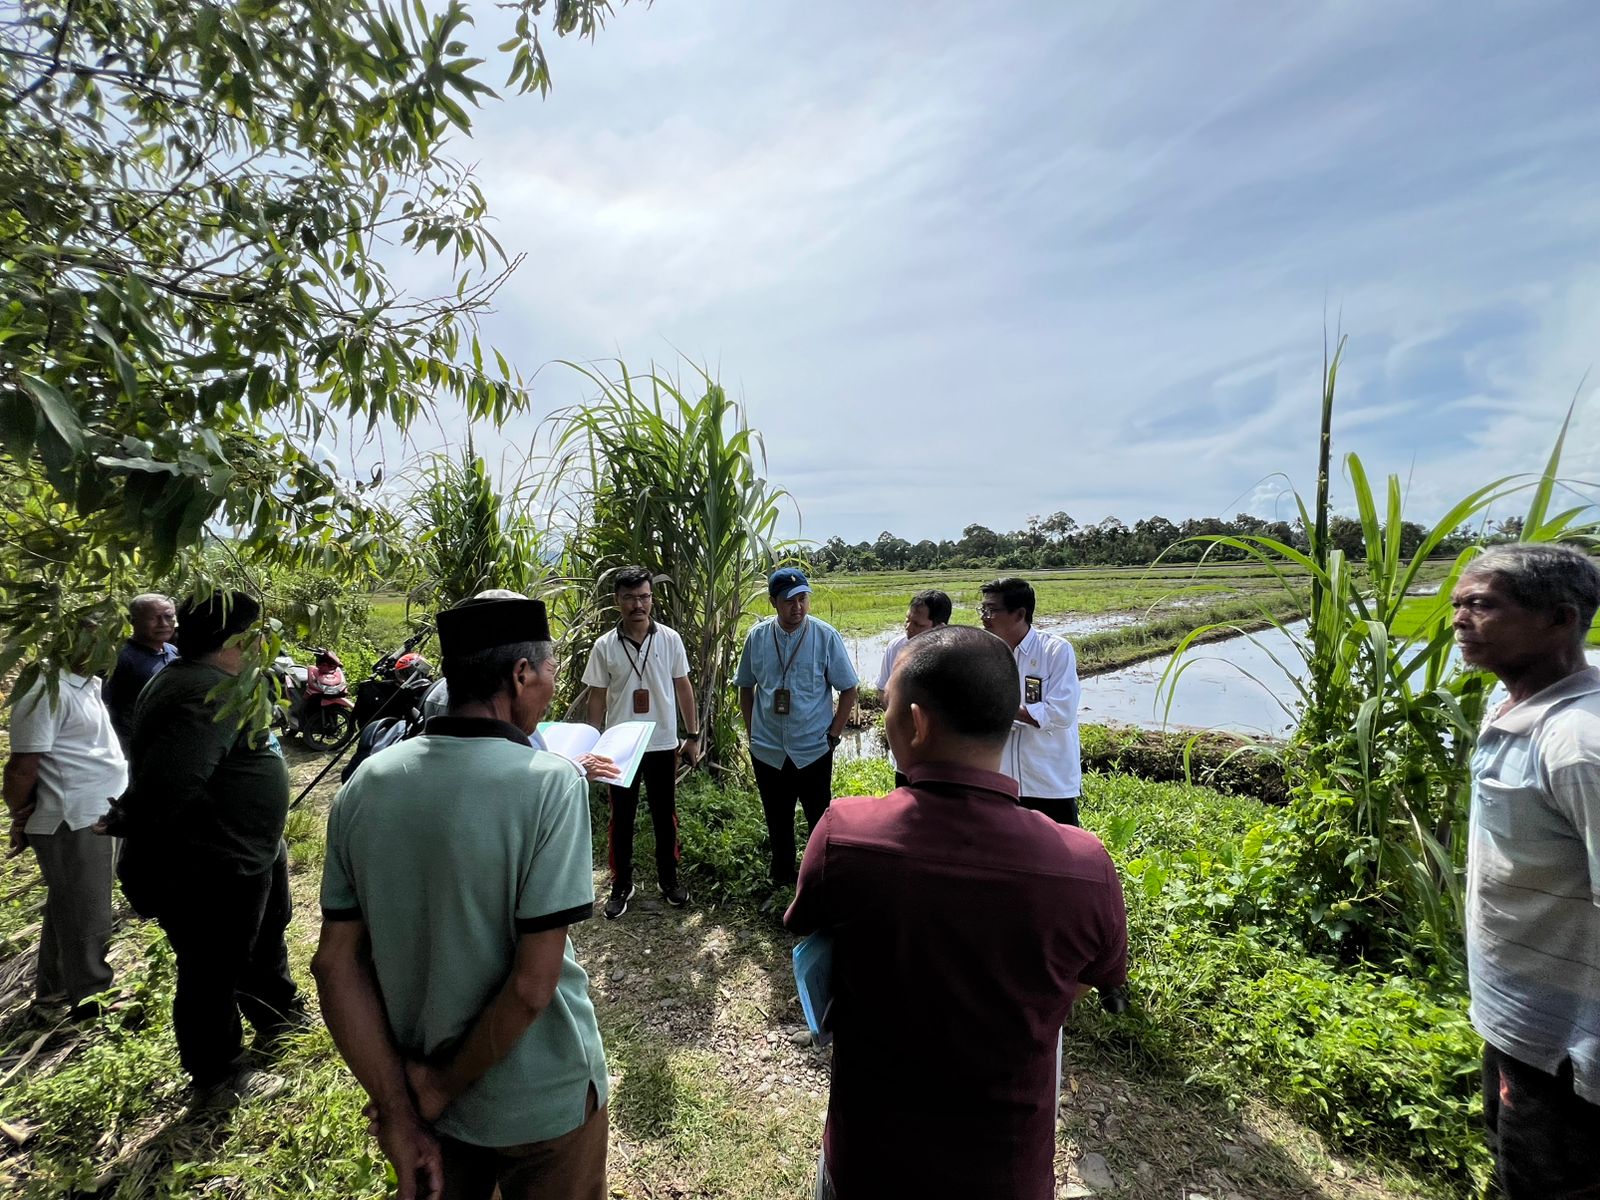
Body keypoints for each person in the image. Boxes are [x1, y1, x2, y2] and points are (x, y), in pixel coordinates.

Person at [785, 625, 1128, 1199]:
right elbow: (1097, 978)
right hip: (1006, 1174)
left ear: (916, 724)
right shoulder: (1084, 865)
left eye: (887, 705)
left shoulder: (845, 833)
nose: (883, 716)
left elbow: (809, 930)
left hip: (871, 1161)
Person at [314, 596, 609, 1200]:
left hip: (425, 1102)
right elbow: (533, 986)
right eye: (552, 670)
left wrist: (400, 1107)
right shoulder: (550, 784)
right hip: (540, 1097)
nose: (554, 686)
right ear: (521, 674)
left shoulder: (366, 784)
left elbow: (335, 964)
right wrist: (443, 1085)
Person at [109, 590, 302, 1106]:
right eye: (258, 630)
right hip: (212, 865)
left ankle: (278, 1018)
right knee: (211, 968)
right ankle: (217, 1074)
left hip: (248, 852)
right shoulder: (201, 693)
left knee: (261, 940)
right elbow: (170, 787)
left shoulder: (217, 681)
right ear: (238, 637)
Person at [1451, 543, 1600, 1198]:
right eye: (1457, 604)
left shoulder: (1578, 745)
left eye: (1483, 604)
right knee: (1513, 1164)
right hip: (1522, 1021)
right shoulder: (1510, 704)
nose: (1459, 618)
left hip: (1565, 1047)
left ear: (1560, 619)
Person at [3, 651, 128, 1020]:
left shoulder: (86, 681)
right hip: (74, 816)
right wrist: (19, 812)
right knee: (89, 914)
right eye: (100, 632)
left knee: (69, 908)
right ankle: (93, 1000)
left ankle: (54, 992)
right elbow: (21, 769)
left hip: (97, 810)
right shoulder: (44, 686)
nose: (111, 643)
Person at [582, 567, 701, 919]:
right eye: (630, 597)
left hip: (663, 743)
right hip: (620, 748)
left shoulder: (669, 639)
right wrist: (593, 744)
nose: (638, 604)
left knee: (666, 816)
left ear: (652, 598)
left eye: (644, 597)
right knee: (622, 818)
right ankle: (621, 885)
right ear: (617, 601)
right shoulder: (605, 646)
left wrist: (692, 736)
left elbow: (683, 688)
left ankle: (669, 880)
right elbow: (597, 697)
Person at [735, 568, 858, 888]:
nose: (798, 607)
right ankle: (782, 876)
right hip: (768, 749)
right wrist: (752, 732)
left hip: (813, 747)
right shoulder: (758, 637)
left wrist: (834, 733)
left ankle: (820, 876)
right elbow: (745, 687)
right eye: (790, 600)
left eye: (803, 598)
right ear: (773, 602)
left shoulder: (825, 635)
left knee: (819, 816)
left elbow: (849, 689)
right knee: (777, 817)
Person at [979, 576, 1083, 826]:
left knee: (1058, 857)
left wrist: (1004, 709)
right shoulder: (985, 653)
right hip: (1002, 783)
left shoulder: (1055, 651)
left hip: (1048, 782)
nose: (983, 616)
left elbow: (1060, 712)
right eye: (982, 609)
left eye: (991, 610)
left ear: (1019, 614)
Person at [874, 589, 950, 789]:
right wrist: (897, 715)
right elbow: (882, 689)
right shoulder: (896, 647)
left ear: (940, 627)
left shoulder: (954, 655)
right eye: (907, 620)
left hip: (942, 757)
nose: (909, 628)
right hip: (905, 752)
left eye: (918, 624)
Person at [104, 593, 177, 750]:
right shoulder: (120, 657)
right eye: (154, 618)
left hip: (166, 742)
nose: (163, 623)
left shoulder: (173, 652)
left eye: (169, 616)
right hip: (131, 745)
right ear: (133, 621)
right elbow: (104, 705)